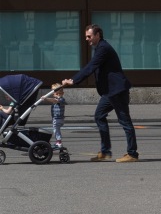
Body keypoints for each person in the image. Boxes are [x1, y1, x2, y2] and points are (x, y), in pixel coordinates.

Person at [62, 24, 139, 163]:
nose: (87, 39)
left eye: (89, 36)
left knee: (125, 122)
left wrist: (74, 80)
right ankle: (105, 151)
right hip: (110, 92)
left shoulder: (103, 48)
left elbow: (91, 66)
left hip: (117, 91)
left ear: (98, 35)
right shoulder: (99, 48)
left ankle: (132, 154)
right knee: (99, 116)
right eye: (86, 36)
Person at [50, 83, 66, 150]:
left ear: (62, 93)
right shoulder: (57, 100)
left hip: (58, 119)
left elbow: (56, 100)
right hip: (57, 118)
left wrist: (45, 99)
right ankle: (58, 141)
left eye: (60, 94)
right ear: (53, 94)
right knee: (56, 130)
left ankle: (59, 142)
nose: (58, 95)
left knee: (56, 130)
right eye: (56, 94)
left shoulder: (61, 100)